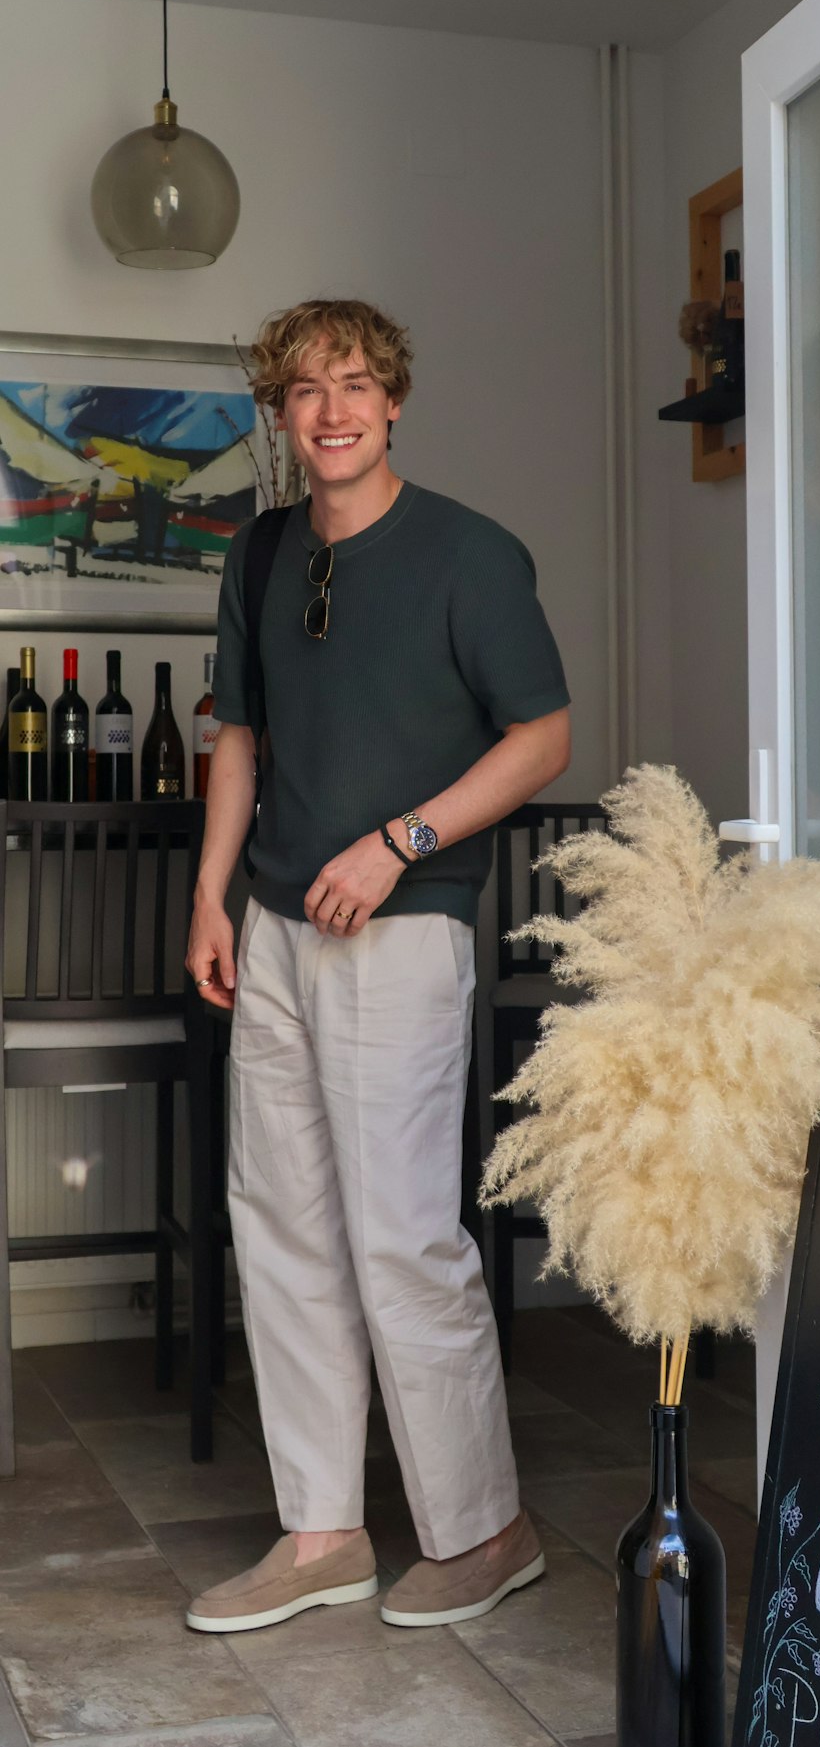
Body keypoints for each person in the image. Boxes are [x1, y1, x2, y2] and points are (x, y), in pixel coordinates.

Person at [184, 298, 571, 1635]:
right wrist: (210, 900)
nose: (332, 410)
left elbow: (543, 735)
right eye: (305, 390)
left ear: (393, 399)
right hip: (277, 926)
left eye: (354, 383)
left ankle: (484, 1526)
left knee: (400, 1232)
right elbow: (238, 735)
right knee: (279, 1225)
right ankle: (323, 1529)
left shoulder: (471, 552)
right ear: (281, 417)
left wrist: (402, 841)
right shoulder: (260, 550)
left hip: (401, 928)